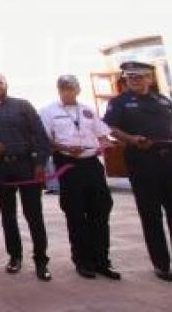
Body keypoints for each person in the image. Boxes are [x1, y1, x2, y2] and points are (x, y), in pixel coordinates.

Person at [104, 61, 172, 283]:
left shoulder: (164, 101)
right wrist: (131, 139)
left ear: (149, 79)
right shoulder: (119, 103)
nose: (134, 80)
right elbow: (110, 129)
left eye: (139, 76)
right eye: (130, 77)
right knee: (151, 216)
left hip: (171, 164)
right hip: (143, 163)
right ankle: (161, 265)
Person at [39, 75, 120, 280]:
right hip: (68, 165)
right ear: (59, 90)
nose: (67, 91)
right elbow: (45, 140)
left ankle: (102, 260)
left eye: (71, 88)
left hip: (92, 164)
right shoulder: (48, 111)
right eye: (63, 88)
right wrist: (65, 147)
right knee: (75, 214)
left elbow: (102, 134)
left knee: (101, 210)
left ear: (78, 89)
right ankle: (83, 261)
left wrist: (105, 143)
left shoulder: (87, 110)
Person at [0, 71, 52, 281]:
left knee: (34, 215)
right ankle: (15, 257)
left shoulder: (23, 105)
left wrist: (39, 163)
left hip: (26, 166)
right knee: (7, 216)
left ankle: (41, 260)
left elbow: (40, 136)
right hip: (1, 168)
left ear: (6, 84)